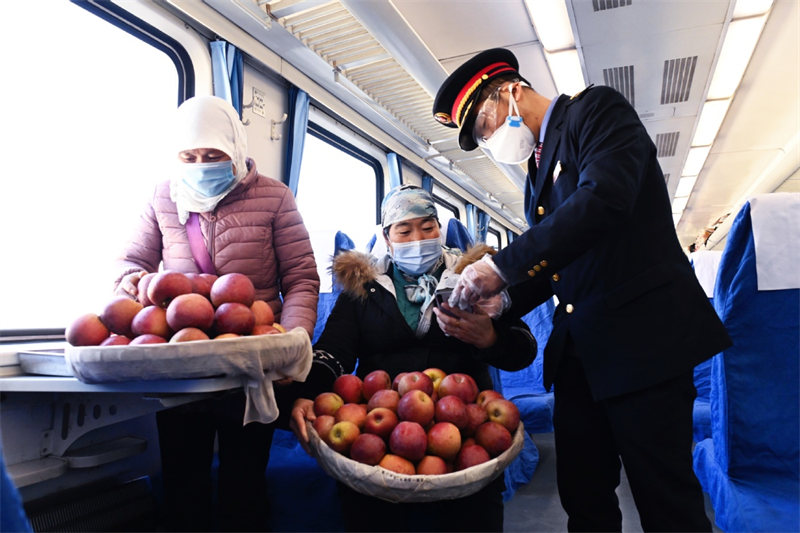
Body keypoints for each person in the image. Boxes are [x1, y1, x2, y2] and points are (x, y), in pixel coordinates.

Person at [432, 48, 732, 532]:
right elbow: (560, 263)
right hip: (581, 356)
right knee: (583, 499)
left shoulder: (596, 112)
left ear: (510, 91)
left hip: (644, 345)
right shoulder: (536, 175)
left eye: (484, 125)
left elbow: (603, 201)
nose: (489, 140)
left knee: (665, 502)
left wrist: (503, 268)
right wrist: (501, 302)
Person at [113, 95, 319, 531]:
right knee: (183, 484)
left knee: (243, 486)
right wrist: (130, 283)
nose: (201, 163)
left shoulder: (275, 198)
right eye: (190, 156)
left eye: (214, 155)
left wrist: (294, 340)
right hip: (182, 363)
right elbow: (131, 262)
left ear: (237, 151)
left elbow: (301, 277)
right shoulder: (162, 196)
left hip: (252, 361)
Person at [288, 185, 537, 533]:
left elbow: (524, 349)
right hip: (379, 430)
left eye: (428, 226)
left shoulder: (477, 278)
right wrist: (308, 391)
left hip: (465, 427)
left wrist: (490, 338)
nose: (418, 237)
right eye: (404, 230)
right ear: (387, 239)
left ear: (440, 229)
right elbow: (334, 351)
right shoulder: (363, 286)